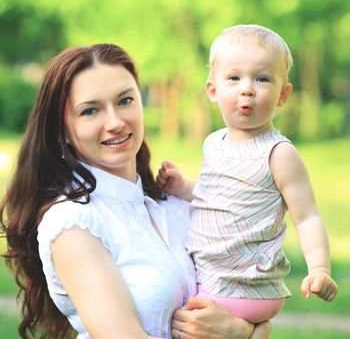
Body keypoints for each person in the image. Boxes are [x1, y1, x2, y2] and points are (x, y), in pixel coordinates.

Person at [0, 43, 269, 339]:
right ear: (62, 130)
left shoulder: (174, 204)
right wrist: (247, 335)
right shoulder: (74, 224)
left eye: (125, 100)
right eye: (90, 110)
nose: (115, 122)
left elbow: (253, 294)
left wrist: (240, 330)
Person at [157, 24, 338, 335]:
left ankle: (247, 330)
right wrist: (182, 186)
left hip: (244, 285)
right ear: (213, 90)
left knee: (177, 320)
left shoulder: (279, 154)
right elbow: (219, 195)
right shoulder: (214, 142)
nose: (247, 88)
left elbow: (307, 217)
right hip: (213, 275)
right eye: (234, 77)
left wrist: (319, 268)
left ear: (283, 94)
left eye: (262, 78)